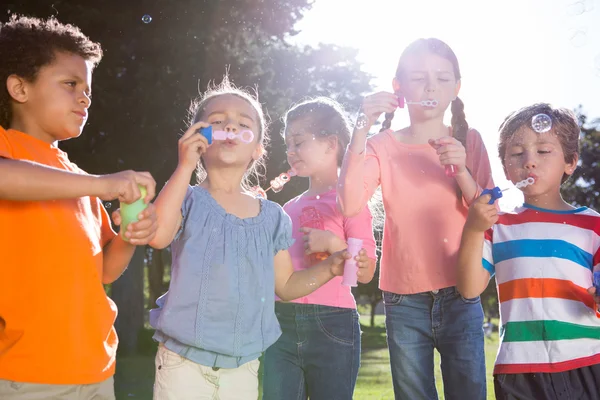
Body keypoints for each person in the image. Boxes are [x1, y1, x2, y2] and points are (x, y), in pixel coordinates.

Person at [148, 79, 370, 400]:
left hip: (243, 367)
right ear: (200, 137)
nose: (230, 127)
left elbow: (287, 286)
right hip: (181, 361)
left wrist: (332, 266)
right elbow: (157, 235)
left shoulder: (272, 217)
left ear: (257, 149)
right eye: (217, 122)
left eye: (242, 123)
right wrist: (185, 165)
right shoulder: (186, 198)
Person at [0, 15, 157, 399]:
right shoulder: (8, 149)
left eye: (87, 89)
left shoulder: (77, 178)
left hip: (95, 368)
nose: (85, 97)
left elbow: (104, 270)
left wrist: (130, 235)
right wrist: (104, 184)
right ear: (20, 88)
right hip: (28, 373)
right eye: (70, 84)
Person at [337, 38, 494, 399]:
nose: (430, 86)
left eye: (442, 78)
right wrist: (361, 125)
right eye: (419, 77)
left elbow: (488, 214)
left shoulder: (468, 140)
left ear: (456, 88)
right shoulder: (381, 145)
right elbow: (348, 203)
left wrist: (461, 170)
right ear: (399, 88)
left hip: (462, 290)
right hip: (403, 299)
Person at [457, 103, 600, 400]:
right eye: (517, 153)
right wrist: (472, 229)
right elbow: (469, 288)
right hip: (518, 370)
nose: (529, 162)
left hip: (587, 361)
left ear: (570, 162)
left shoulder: (593, 224)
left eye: (544, 151)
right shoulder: (497, 226)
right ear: (506, 169)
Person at [262, 97, 377, 400]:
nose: (290, 151)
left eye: (298, 142)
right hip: (282, 321)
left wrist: (334, 245)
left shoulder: (350, 204)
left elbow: (365, 273)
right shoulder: (287, 207)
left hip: (333, 323)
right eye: (287, 144)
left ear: (330, 144)